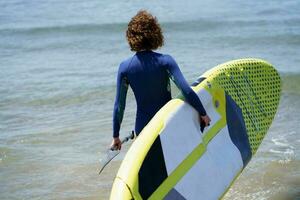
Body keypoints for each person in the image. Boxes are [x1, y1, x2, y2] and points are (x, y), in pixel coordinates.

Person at [111, 10, 211, 150]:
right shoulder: (165, 61)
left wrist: (116, 136)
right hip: (167, 125)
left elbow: (119, 106)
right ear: (155, 34)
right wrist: (203, 113)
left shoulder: (125, 68)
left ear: (131, 37)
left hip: (143, 129)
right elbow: (186, 89)